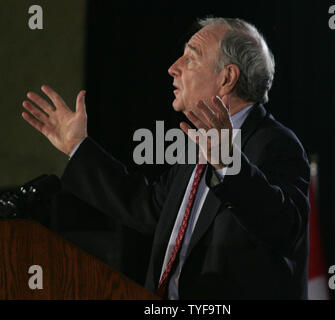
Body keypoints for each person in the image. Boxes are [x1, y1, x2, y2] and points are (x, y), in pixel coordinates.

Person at [21, 17, 310, 299]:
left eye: (191, 58)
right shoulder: (197, 146)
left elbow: (285, 229)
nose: (173, 68)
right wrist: (77, 146)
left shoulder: (275, 144)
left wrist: (228, 163)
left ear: (227, 78)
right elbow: (147, 208)